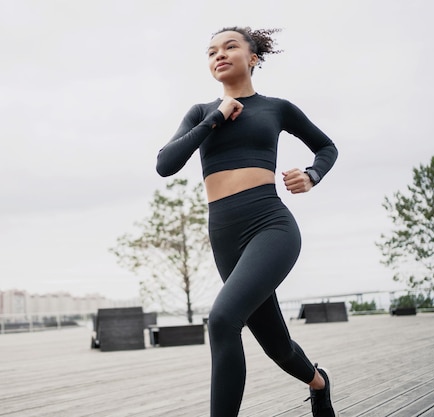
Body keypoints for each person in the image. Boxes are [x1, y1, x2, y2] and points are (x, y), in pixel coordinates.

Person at [155, 27, 339, 417]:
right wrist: (215, 119)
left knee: (223, 320)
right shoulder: (201, 112)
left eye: (230, 47)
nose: (219, 55)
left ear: (253, 58)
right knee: (277, 346)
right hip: (224, 236)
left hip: (270, 225)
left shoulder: (277, 108)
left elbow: (326, 146)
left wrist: (312, 175)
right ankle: (319, 383)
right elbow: (164, 164)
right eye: (211, 52)